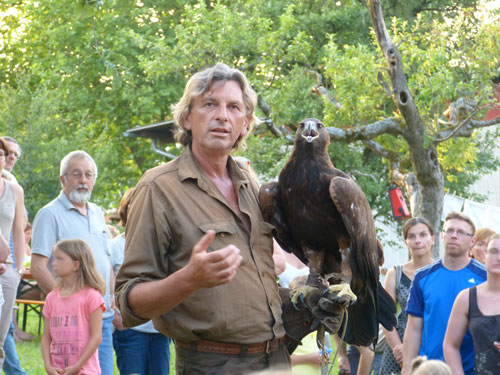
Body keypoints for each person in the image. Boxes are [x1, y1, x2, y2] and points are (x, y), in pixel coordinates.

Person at [115, 63, 290, 374]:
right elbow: (129, 304)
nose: (222, 115)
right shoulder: (157, 188)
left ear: (246, 123)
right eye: (210, 104)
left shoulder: (255, 188)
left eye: (234, 107)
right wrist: (188, 279)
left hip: (276, 360)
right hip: (211, 364)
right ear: (186, 118)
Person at [31, 150, 114, 375]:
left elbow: (106, 261)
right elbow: (38, 267)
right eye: (76, 174)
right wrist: (64, 304)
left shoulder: (98, 213)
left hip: (102, 317)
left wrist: (113, 300)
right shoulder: (49, 214)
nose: (83, 180)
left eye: (89, 175)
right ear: (62, 179)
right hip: (72, 323)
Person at [402, 211, 487, 375]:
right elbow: (414, 328)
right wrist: (407, 368)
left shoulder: (485, 277)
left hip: (471, 369)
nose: (454, 236)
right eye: (449, 230)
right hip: (429, 369)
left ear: (472, 241)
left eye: (461, 232)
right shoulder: (422, 277)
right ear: (442, 236)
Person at [110, 188, 171, 375]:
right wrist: (117, 319)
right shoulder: (114, 247)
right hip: (129, 330)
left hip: (160, 331)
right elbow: (104, 288)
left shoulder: (163, 247)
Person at [41, 239, 105, 375]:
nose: (53, 263)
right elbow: (46, 336)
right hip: (58, 371)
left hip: (86, 371)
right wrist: (48, 366)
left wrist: (77, 366)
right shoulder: (51, 298)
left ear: (76, 265)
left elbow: (97, 337)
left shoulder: (92, 296)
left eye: (60, 259)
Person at [381, 217, 435, 374]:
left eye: (423, 235)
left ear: (432, 239)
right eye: (412, 236)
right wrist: (399, 349)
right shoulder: (395, 273)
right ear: (406, 242)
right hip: (399, 347)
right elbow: (386, 317)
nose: (417, 240)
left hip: (431, 345)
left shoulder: (440, 272)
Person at [443, 234, 500, 374]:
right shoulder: (466, 298)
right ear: (485, 256)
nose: (498, 257)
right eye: (493, 251)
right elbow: (450, 345)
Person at [0, 137, 25, 368]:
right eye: (8, 153)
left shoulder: (14, 188)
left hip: (6, 268)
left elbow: (19, 231)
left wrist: (17, 270)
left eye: (15, 155)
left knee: (2, 332)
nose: (10, 158)